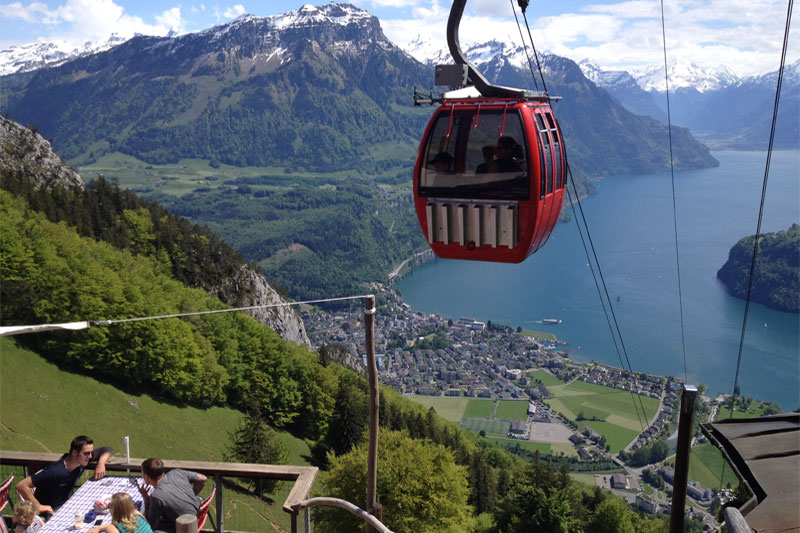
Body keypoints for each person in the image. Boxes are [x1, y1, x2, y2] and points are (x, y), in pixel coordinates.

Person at [15, 436, 113, 513]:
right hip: (51, 511)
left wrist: (100, 464)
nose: (90, 456)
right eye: (86, 453)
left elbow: (107, 449)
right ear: (74, 452)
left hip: (67, 505)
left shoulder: (80, 462)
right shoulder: (55, 471)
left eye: (91, 453)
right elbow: (21, 485)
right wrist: (38, 506)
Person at [137, 458, 206, 533]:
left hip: (185, 524)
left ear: (147, 477)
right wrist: (193, 494)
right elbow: (203, 478)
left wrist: (146, 499)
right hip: (198, 515)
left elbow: (151, 524)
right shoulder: (177, 472)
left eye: (143, 474)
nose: (142, 476)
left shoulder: (156, 496)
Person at [87, 493, 153, 533]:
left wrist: (98, 528)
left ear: (115, 510)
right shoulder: (138, 514)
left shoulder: (113, 529)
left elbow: (109, 527)